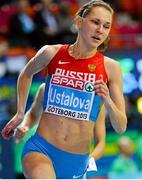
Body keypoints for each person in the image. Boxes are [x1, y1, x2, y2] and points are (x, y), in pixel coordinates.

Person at [1, 0, 127, 179]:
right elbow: (26, 74)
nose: (100, 30)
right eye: (95, 22)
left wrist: (107, 99)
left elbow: (121, 127)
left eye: (106, 26)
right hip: (40, 149)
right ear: (79, 21)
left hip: (77, 163)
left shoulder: (111, 68)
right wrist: (21, 114)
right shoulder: (51, 52)